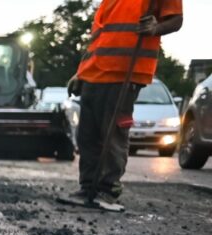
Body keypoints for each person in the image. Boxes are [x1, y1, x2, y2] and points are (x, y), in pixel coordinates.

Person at [60, 0, 183, 212]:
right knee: (87, 136)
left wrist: (155, 28)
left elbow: (176, 20)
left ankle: (108, 190)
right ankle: (88, 187)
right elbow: (99, 40)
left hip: (125, 72)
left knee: (113, 134)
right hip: (94, 74)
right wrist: (81, 73)